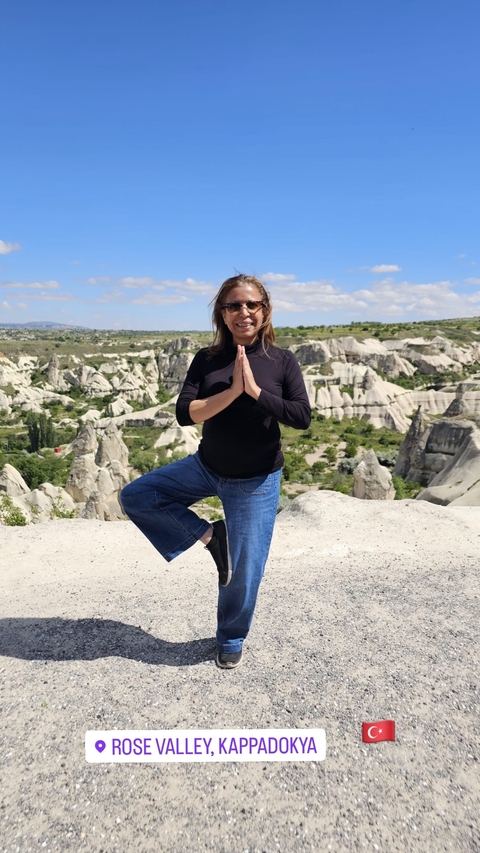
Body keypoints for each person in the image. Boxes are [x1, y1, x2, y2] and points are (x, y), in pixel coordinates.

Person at [120, 274, 311, 670]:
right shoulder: (207, 359)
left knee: (243, 572)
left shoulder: (281, 360)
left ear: (265, 310)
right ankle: (212, 536)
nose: (244, 312)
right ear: (221, 314)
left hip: (256, 481)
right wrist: (231, 392)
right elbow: (184, 413)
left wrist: (256, 392)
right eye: (234, 305)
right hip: (207, 467)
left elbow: (301, 417)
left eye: (251, 304)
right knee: (137, 496)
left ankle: (231, 636)